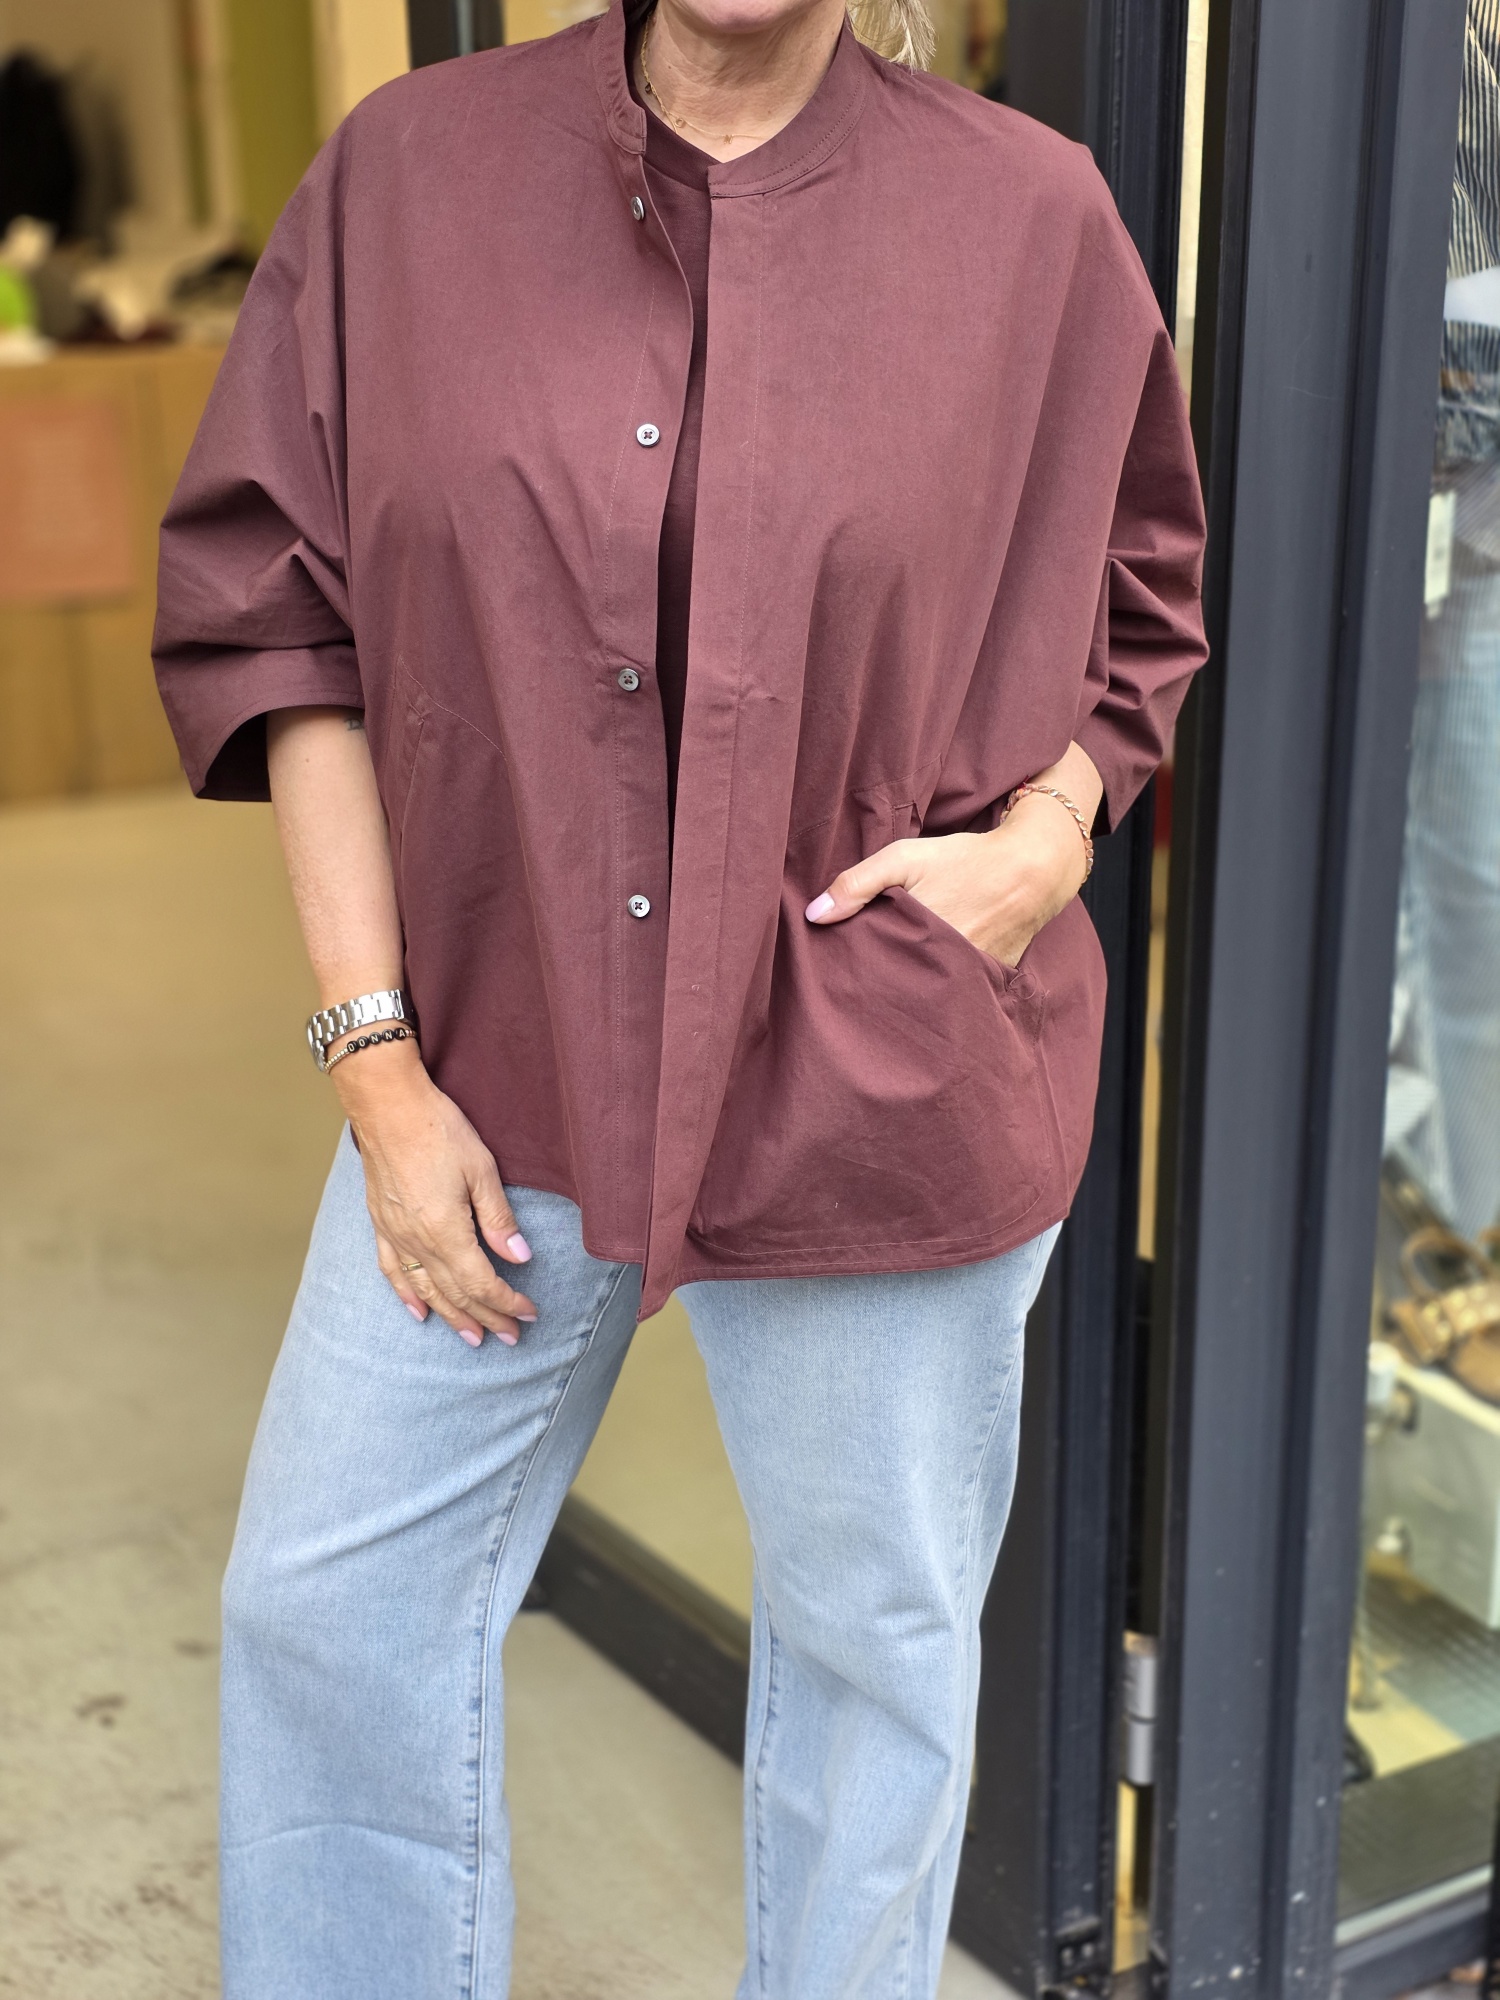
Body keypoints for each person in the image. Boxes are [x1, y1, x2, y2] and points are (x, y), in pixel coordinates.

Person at [152, 0, 1207, 1989]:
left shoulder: (1030, 219)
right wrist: (374, 1063)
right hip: (493, 1064)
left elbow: (1143, 593)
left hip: (869, 1066)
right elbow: (286, 628)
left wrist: (1051, 835)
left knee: (873, 1655)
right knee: (333, 1605)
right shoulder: (408, 181)